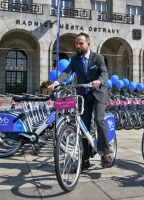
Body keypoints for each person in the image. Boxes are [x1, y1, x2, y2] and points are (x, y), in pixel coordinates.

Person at [48, 32, 112, 169]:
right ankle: (85, 158)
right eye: (76, 43)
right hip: (84, 94)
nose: (78, 45)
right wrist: (56, 83)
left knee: (99, 119)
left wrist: (99, 81)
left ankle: (106, 153)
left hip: (99, 93)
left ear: (88, 44)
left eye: (81, 43)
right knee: (83, 125)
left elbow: (104, 73)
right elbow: (66, 72)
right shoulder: (74, 60)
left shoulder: (98, 58)